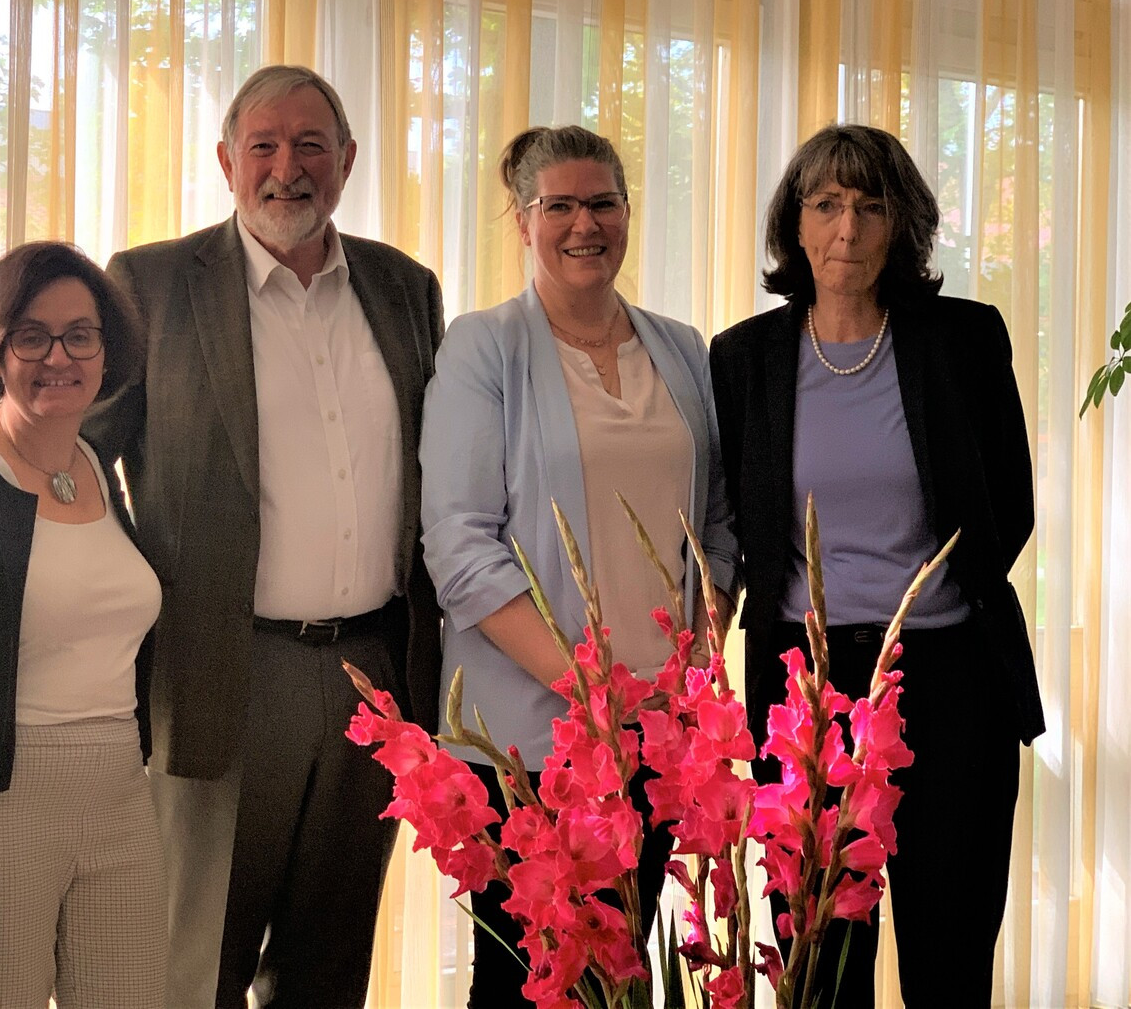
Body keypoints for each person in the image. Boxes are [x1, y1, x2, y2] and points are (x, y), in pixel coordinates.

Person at [85, 64, 444, 1009]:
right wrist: (126, 594)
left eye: (312, 144)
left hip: (374, 678)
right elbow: (79, 456)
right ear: (225, 160)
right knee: (194, 964)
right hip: (216, 671)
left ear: (350, 160)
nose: (289, 168)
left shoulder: (407, 289)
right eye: (265, 146)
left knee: (329, 970)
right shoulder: (153, 283)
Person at [709, 123, 1043, 1006]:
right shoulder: (744, 358)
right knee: (822, 959)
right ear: (796, 223)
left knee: (949, 945)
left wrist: (924, 610)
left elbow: (1008, 505)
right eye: (826, 205)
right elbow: (736, 517)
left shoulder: (964, 340)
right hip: (806, 689)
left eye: (870, 206)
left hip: (951, 680)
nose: (847, 229)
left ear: (903, 226)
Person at [419, 124, 740, 1006]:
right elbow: (457, 542)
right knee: (526, 977)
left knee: (618, 966)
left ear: (628, 214)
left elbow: (716, 525)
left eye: (601, 203)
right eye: (557, 205)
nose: (582, 224)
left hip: (657, 727)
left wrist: (686, 668)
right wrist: (589, 687)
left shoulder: (682, 349)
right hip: (533, 733)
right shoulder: (482, 347)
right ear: (523, 221)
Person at [0, 241, 167, 1008]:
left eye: (80, 334)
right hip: (5, 799)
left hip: (121, 791)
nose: (58, 355)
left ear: (108, 352)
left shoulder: (99, 467)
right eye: (30, 335)